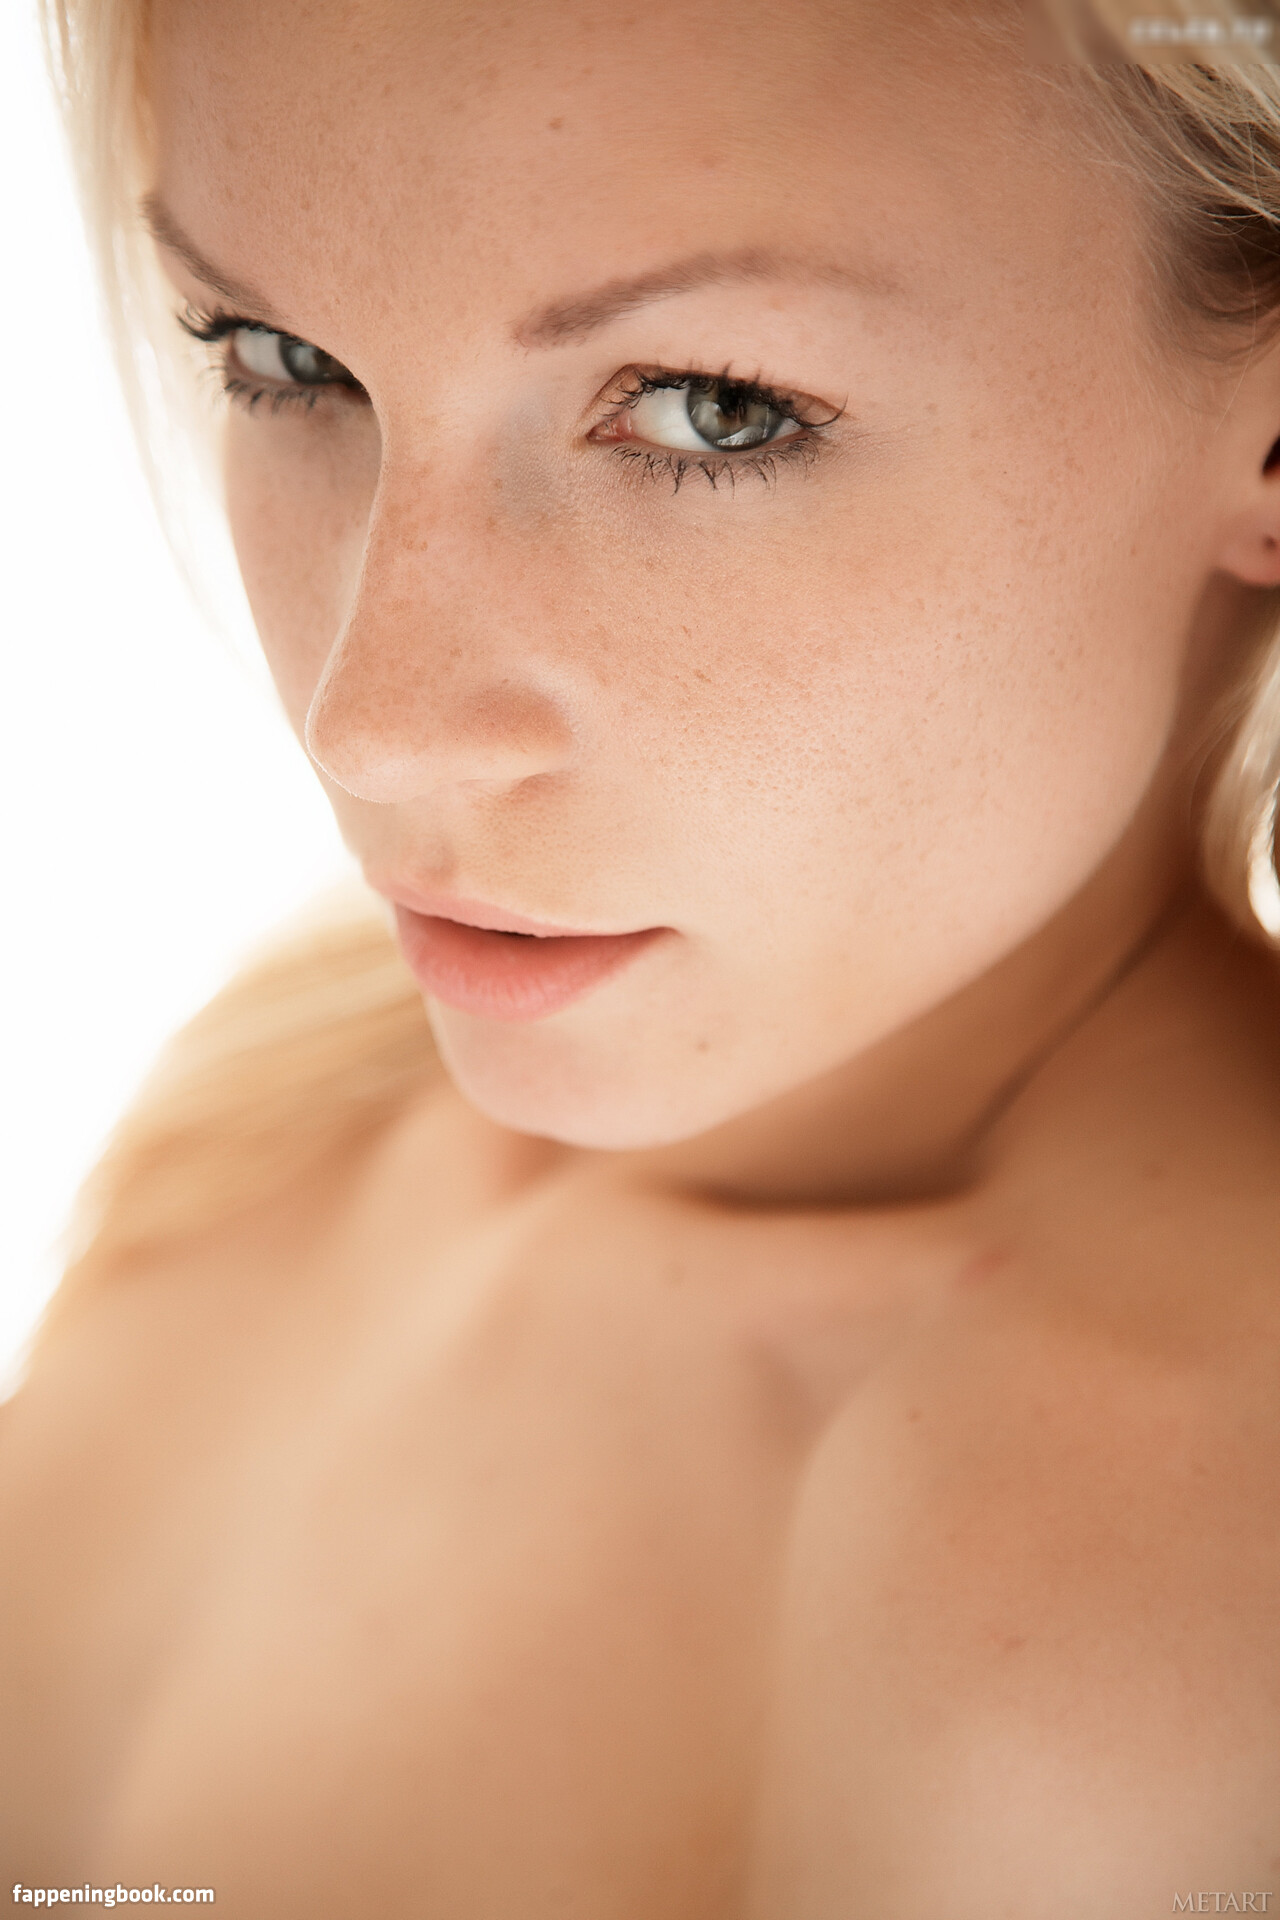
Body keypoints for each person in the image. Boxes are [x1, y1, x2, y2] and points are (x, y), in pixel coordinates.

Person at [3, 0, 1280, 1910]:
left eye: (710, 408)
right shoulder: (280, 1117)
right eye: (283, 358)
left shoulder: (1141, 1622)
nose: (375, 723)